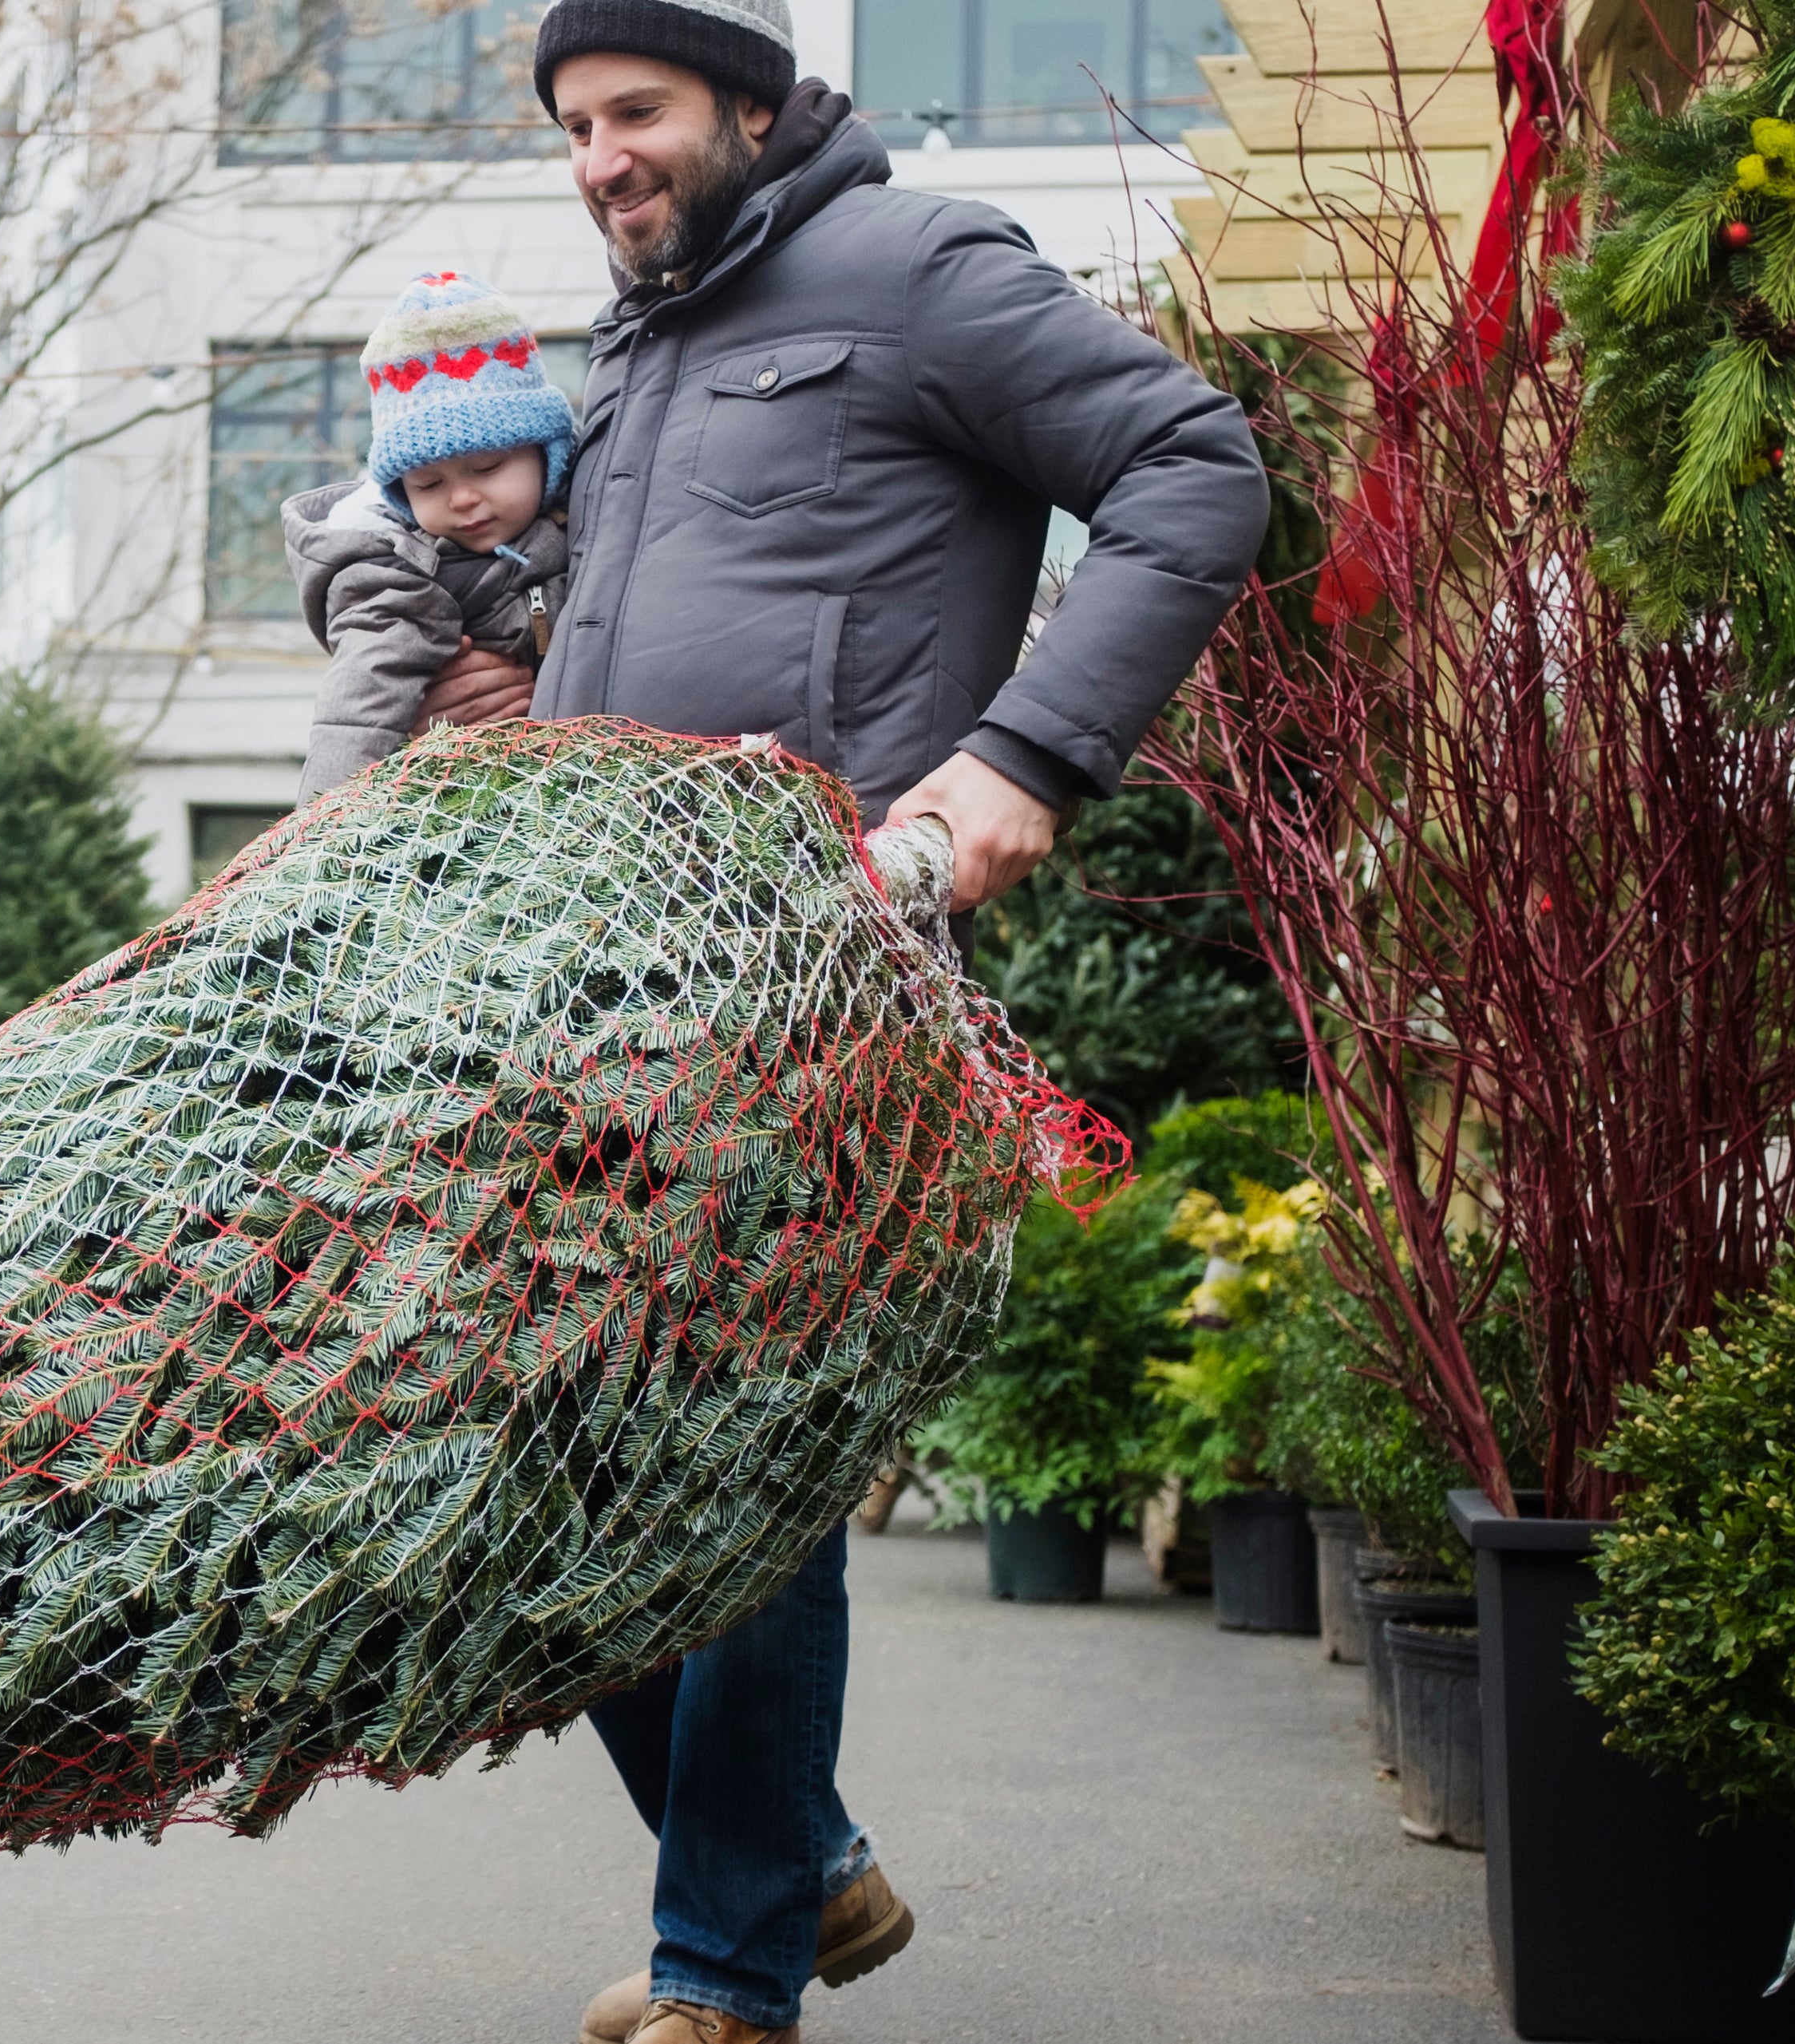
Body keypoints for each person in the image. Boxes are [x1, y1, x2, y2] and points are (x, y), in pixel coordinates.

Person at [389, 4, 1269, 2041]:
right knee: (543, 1449)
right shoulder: (635, 341)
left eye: (634, 113)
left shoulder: (913, 265)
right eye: (572, 128)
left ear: (750, 106)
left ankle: (727, 1966)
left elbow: (1190, 464)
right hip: (599, 970)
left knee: (735, 1438)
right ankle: (802, 1859)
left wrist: (1023, 755)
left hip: (819, 965)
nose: (598, 158)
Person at [287, 271, 578, 796]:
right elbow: (355, 712)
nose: (461, 498)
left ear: (547, 455)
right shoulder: (395, 578)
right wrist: (321, 824)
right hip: (460, 803)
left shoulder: (589, 522)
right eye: (427, 484)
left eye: (487, 467)